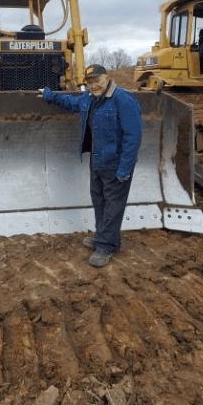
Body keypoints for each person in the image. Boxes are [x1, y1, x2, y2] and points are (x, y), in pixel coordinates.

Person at [39, 64, 142, 267]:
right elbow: (71, 102)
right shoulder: (88, 99)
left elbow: (133, 136)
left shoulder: (123, 99)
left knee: (113, 206)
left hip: (117, 163)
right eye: (90, 83)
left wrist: (124, 169)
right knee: (99, 201)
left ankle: (105, 246)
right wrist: (50, 95)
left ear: (107, 78)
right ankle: (104, 237)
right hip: (97, 161)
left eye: (97, 81)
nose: (94, 86)